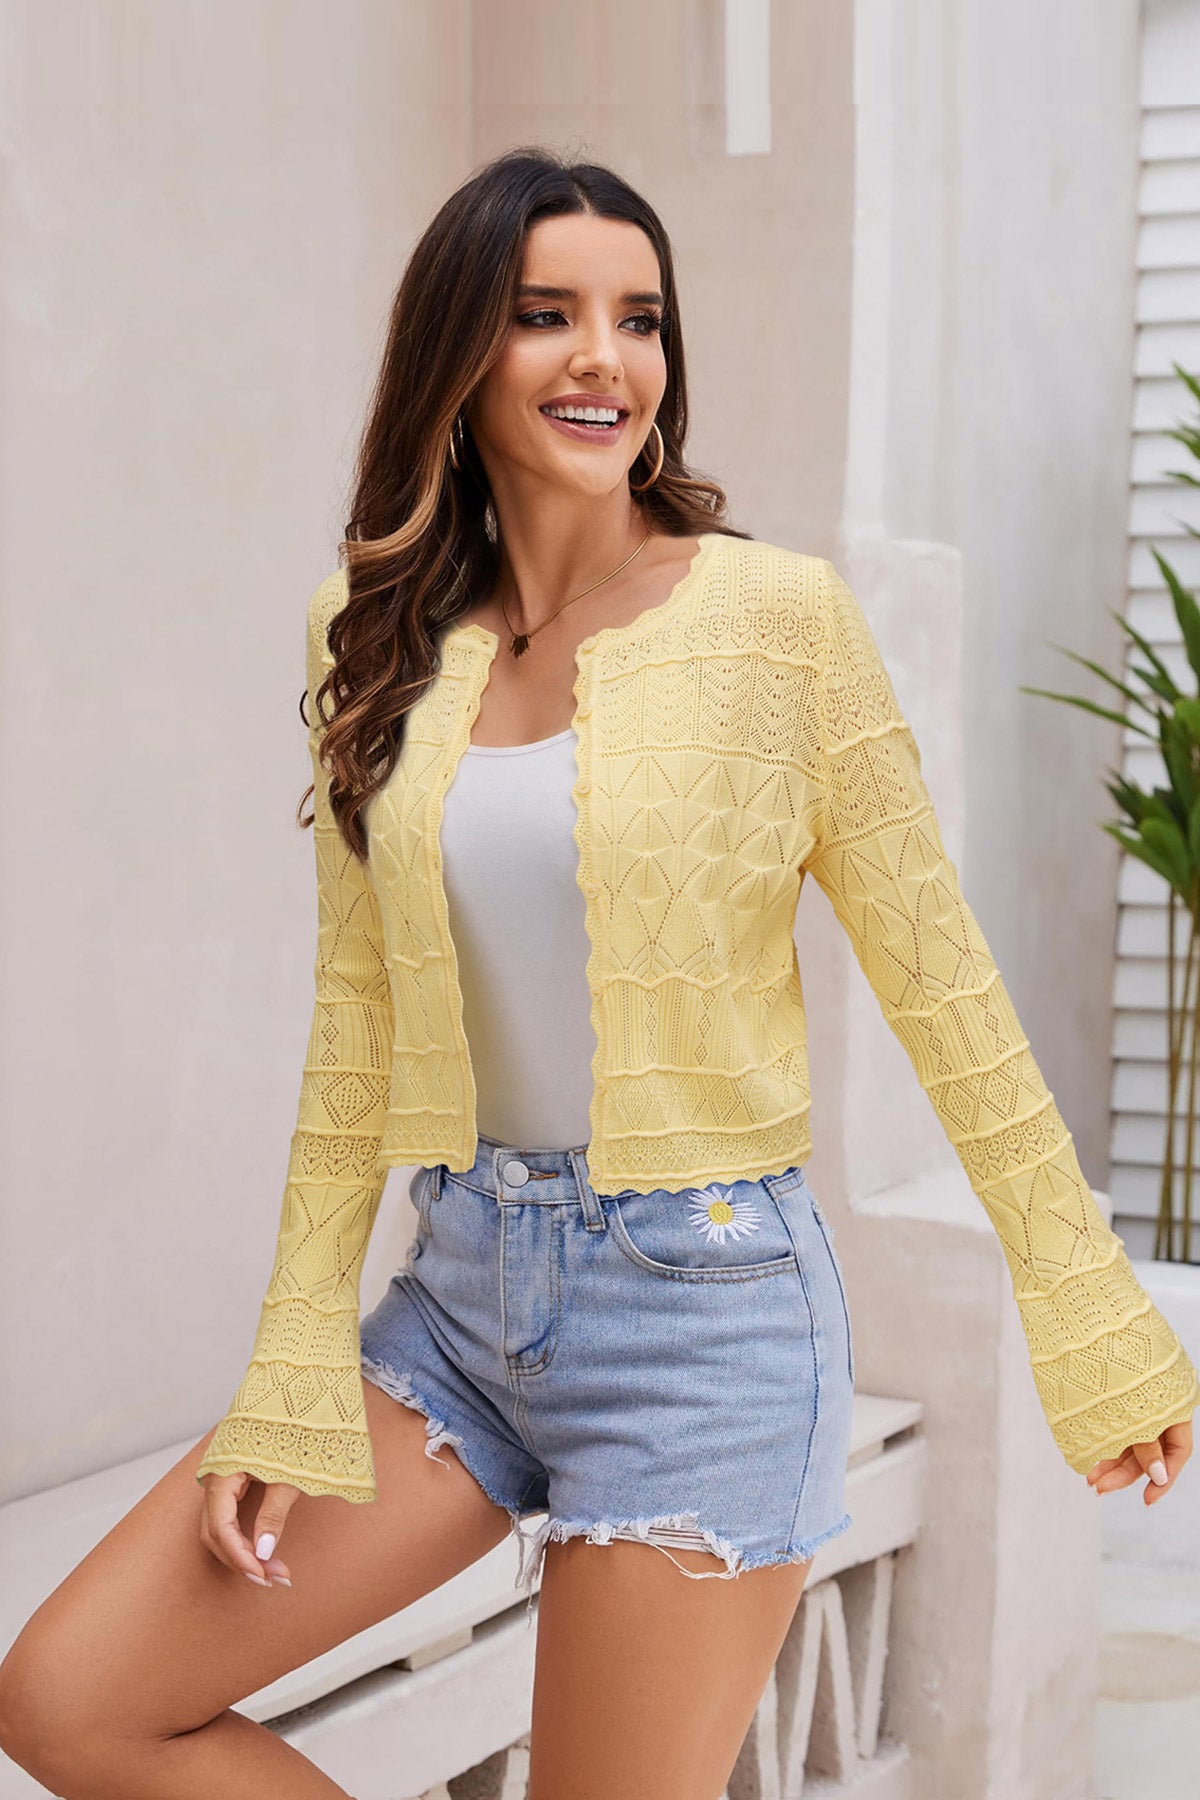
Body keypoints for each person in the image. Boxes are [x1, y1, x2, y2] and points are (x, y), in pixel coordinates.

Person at [1, 145, 1195, 1800]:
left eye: (639, 319)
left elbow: (948, 990)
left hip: (705, 1312)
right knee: (72, 1699)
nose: (604, 359)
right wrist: (290, 1366)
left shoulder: (780, 624)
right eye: (545, 313)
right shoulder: (374, 632)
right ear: (458, 353)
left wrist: (1089, 1310)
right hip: (457, 1297)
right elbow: (355, 1033)